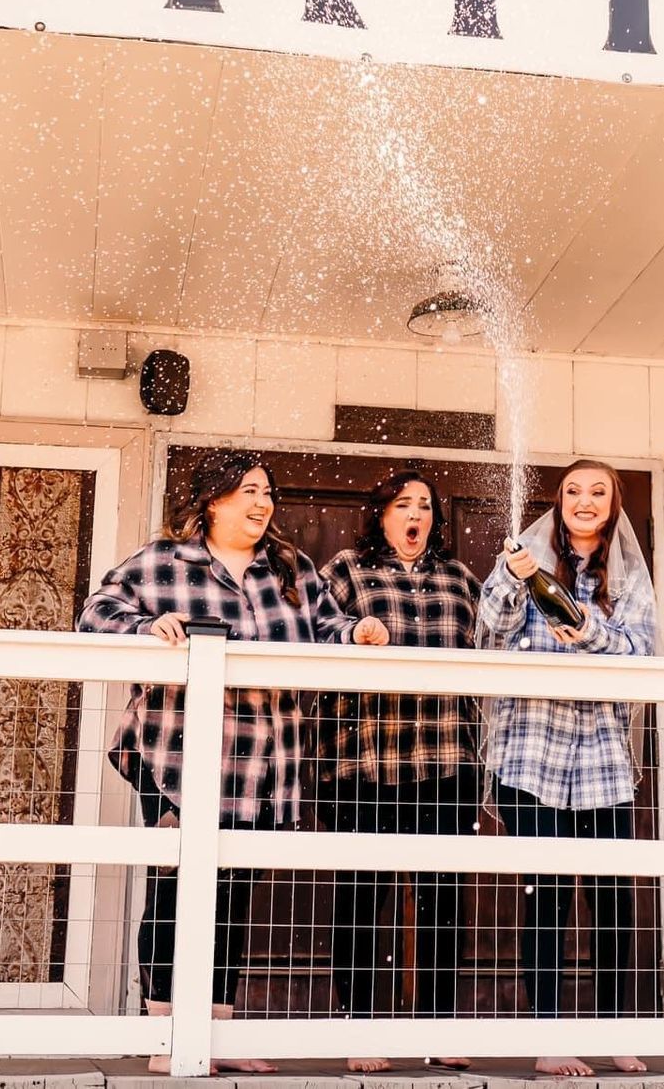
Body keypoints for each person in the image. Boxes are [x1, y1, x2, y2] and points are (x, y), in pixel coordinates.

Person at [78, 450, 391, 1075]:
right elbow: (95, 613)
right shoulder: (163, 560)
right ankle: (166, 1032)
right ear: (214, 499)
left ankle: (218, 1031)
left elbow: (328, 629)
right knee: (174, 891)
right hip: (176, 755)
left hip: (265, 762)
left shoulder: (290, 568)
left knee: (235, 893)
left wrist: (359, 632)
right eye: (249, 490)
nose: (262, 502)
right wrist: (147, 627)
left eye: (267, 492)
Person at [477, 459, 656, 1079]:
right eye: (573, 491)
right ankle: (549, 1038)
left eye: (597, 492)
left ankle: (615, 1032)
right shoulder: (524, 555)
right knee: (545, 897)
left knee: (613, 898)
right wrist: (513, 578)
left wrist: (585, 631)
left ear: (613, 504)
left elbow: (640, 650)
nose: (584, 501)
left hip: (603, 753)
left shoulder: (630, 575)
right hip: (531, 752)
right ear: (558, 500)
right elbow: (491, 629)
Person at [312, 469, 483, 1071]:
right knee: (365, 896)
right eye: (403, 504)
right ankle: (360, 1028)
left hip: (446, 757)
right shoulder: (346, 569)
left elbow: (485, 656)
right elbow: (314, 636)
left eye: (426, 507)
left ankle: (437, 1025)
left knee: (442, 896)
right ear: (381, 513)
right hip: (363, 759)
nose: (416, 514)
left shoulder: (460, 578)